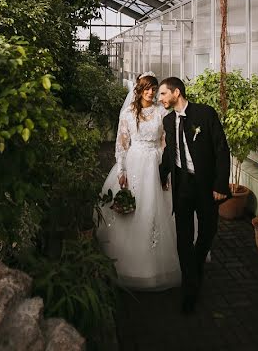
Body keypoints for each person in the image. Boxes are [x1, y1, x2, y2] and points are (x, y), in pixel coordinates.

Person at [96, 73, 181, 291]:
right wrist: (122, 169)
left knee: (155, 210)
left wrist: (164, 172)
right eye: (147, 88)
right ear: (139, 89)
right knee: (133, 209)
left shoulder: (162, 112)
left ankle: (156, 264)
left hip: (156, 163)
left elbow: (164, 142)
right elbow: (122, 143)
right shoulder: (128, 113)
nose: (151, 92)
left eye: (154, 88)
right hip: (134, 163)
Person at [158, 76, 231, 313]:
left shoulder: (205, 114)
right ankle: (190, 288)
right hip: (183, 184)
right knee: (183, 236)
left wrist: (220, 184)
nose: (160, 99)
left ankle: (196, 264)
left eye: (163, 94)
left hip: (206, 184)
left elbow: (222, 149)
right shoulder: (168, 121)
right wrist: (161, 173)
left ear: (176, 92)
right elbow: (171, 150)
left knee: (208, 230)